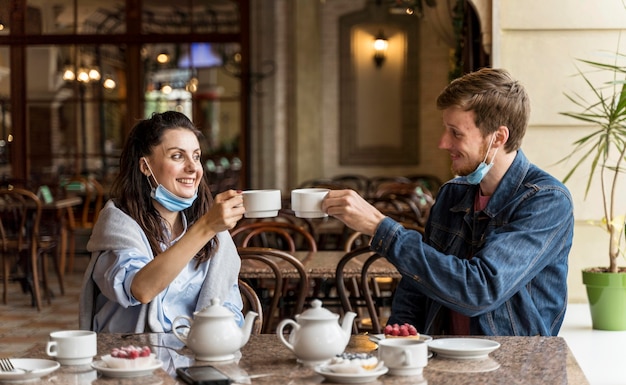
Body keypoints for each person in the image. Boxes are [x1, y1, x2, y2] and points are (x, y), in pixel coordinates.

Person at [322, 68, 574, 336]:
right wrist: (401, 329)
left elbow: (480, 290)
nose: (443, 143)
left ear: (498, 138)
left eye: (456, 132)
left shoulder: (546, 201)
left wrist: (381, 227)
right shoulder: (452, 193)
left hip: (515, 366)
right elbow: (416, 284)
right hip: (443, 354)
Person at [79, 111, 246, 333]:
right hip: (129, 356)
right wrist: (206, 228)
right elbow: (140, 289)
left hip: (193, 353)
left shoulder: (211, 228)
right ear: (146, 166)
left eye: (196, 156)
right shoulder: (118, 221)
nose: (193, 168)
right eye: (177, 156)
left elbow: (228, 304)